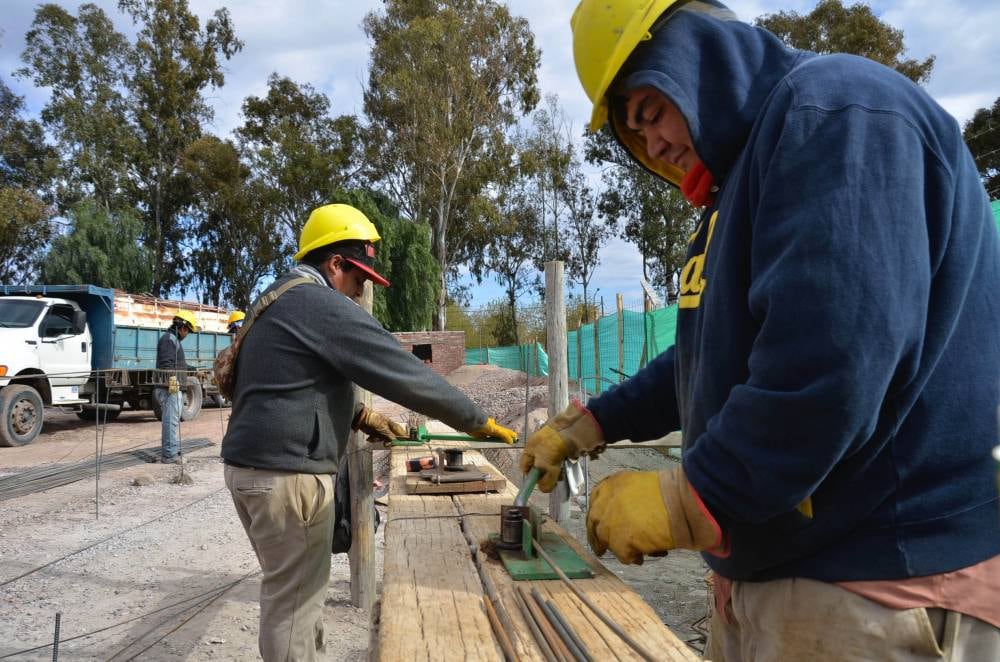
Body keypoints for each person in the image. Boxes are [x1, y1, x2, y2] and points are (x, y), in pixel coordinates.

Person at [520, 1, 1000, 659]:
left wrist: (693, 497)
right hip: (789, 578)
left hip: (876, 583)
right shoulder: (742, 185)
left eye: (651, 110)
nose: (652, 144)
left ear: (692, 52)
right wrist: (590, 423)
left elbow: (833, 355)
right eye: (633, 131)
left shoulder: (835, 115)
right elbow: (703, 357)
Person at [221, 203, 516, 662]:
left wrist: (360, 416)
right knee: (293, 609)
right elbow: (402, 372)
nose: (360, 292)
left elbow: (289, 382)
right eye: (358, 279)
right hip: (288, 476)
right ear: (334, 264)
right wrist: (478, 422)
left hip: (251, 471)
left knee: (294, 596)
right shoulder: (319, 304)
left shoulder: (277, 300)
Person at [155, 309, 197, 464]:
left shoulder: (173, 339)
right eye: (188, 332)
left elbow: (176, 364)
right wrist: (174, 389)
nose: (187, 335)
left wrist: (190, 369)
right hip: (169, 388)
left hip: (172, 387)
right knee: (170, 421)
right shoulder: (169, 340)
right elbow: (167, 366)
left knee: (173, 420)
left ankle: (172, 449)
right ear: (183, 328)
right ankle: (169, 455)